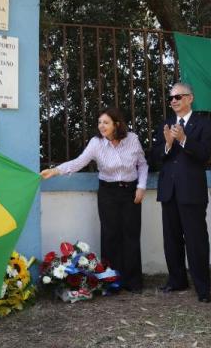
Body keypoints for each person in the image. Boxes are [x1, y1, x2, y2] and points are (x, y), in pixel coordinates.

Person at [40, 107, 148, 293]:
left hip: (130, 192)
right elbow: (79, 162)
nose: (101, 126)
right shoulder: (96, 143)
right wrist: (55, 170)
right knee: (110, 235)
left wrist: (141, 187)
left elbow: (142, 164)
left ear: (117, 124)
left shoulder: (132, 139)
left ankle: (133, 282)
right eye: (99, 122)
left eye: (105, 122)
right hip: (108, 192)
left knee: (130, 235)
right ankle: (112, 282)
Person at [151, 82, 211, 303]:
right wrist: (168, 144)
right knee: (172, 239)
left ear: (190, 98)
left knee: (196, 240)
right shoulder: (166, 124)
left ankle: (202, 287)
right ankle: (177, 280)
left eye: (178, 97)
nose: (174, 101)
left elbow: (205, 153)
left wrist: (184, 140)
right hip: (169, 191)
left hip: (192, 192)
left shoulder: (203, 123)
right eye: (171, 98)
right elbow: (155, 156)